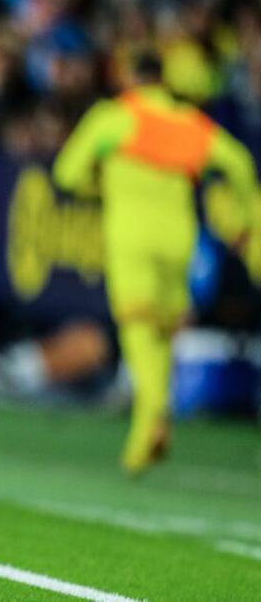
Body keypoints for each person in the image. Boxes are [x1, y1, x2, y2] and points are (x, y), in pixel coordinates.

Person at [53, 52, 256, 475]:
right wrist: (243, 214)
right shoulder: (189, 122)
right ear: (164, 83)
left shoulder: (114, 116)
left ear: (132, 80)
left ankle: (152, 414)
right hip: (179, 239)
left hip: (131, 237)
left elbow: (67, 173)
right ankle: (143, 436)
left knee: (137, 328)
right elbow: (238, 162)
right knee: (164, 330)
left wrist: (104, 180)